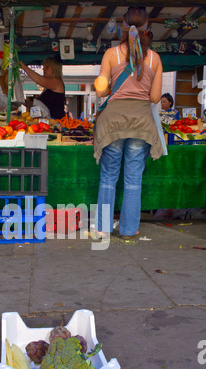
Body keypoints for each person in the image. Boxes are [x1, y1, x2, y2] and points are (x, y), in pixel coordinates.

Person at [93, 6, 163, 239]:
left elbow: (101, 90)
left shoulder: (111, 54)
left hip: (113, 123)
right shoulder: (154, 58)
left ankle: (103, 228)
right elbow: (154, 98)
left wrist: (103, 82)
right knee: (133, 180)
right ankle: (129, 230)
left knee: (108, 177)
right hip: (141, 124)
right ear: (147, 29)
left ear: (123, 27)